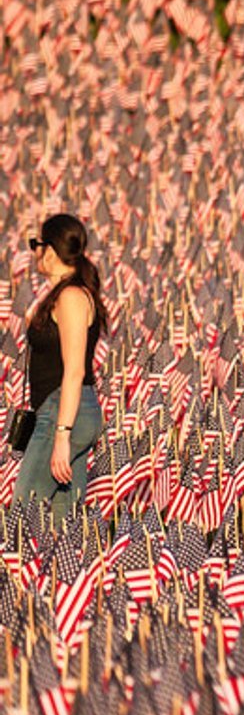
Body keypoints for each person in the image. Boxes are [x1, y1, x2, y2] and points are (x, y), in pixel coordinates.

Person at [14, 214, 108, 518]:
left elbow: (75, 370)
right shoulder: (65, 294)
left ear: (50, 251)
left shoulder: (70, 297)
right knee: (61, 523)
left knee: (20, 517)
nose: (34, 253)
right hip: (67, 410)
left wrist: (61, 435)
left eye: (36, 245)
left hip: (63, 412)